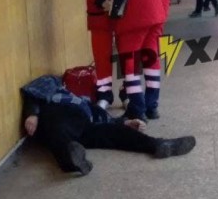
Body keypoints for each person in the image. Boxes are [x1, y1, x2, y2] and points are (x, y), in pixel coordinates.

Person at [21, 75, 196, 175]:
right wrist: (32, 113)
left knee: (114, 133)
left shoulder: (82, 100)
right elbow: (33, 93)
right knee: (58, 130)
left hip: (83, 125)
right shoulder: (52, 83)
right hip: (55, 115)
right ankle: (71, 159)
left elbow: (103, 116)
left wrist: (124, 122)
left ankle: (158, 144)